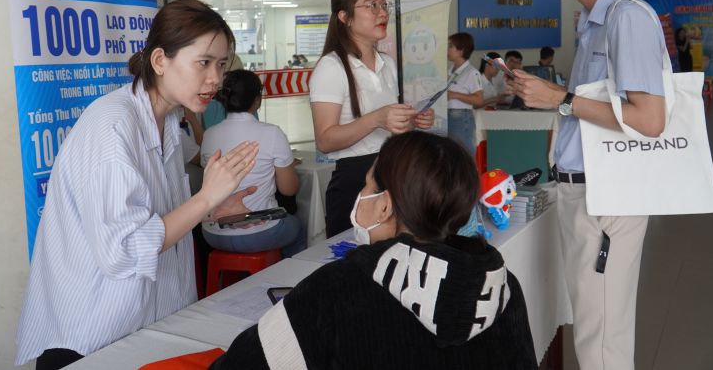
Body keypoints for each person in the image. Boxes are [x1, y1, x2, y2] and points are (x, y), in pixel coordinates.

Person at [15, 0, 261, 370]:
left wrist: (211, 207)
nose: (215, 78)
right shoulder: (113, 127)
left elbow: (155, 217)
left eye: (221, 65)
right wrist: (205, 197)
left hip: (143, 327)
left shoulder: (169, 123)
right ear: (160, 61)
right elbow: (125, 250)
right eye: (203, 62)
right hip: (91, 337)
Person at [210, 131, 538, 369]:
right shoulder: (504, 288)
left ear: (384, 207)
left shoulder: (335, 290)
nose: (362, 194)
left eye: (367, 185)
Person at [512, 0, 666, 370]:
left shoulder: (627, 19)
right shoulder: (591, 25)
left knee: (602, 341)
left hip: (606, 199)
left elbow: (650, 118)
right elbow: (594, 108)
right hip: (583, 193)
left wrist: (560, 99)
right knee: (594, 329)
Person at [309, 0, 434, 236]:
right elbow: (325, 140)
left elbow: (389, 124)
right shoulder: (331, 67)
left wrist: (412, 120)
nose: (382, 12)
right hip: (354, 180)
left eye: (383, 4)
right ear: (344, 16)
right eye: (371, 5)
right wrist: (377, 118)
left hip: (392, 171)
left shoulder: (387, 63)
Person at [200, 69, 306, 257]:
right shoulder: (272, 133)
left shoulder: (209, 135)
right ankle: (287, 282)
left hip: (213, 232)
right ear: (257, 100)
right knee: (298, 227)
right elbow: (289, 189)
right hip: (259, 230)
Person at [446, 32, 483, 157]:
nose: (447, 49)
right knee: (451, 154)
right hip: (448, 116)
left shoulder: (472, 73)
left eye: (451, 46)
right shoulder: (450, 70)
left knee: (464, 154)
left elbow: (479, 100)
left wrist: (455, 95)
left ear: (461, 51)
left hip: (462, 118)